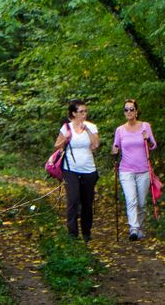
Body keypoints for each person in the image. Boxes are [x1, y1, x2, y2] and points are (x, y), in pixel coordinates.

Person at [53, 99, 100, 241]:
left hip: (88, 169)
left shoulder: (91, 127)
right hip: (70, 169)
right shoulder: (66, 128)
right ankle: (72, 233)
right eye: (81, 112)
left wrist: (88, 131)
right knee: (73, 199)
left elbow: (96, 145)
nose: (84, 114)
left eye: (85, 111)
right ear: (74, 113)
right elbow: (57, 146)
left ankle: (86, 231)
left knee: (87, 201)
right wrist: (65, 139)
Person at [111, 98, 157, 241]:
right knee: (131, 200)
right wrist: (114, 151)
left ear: (137, 111)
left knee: (142, 203)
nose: (129, 112)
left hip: (143, 170)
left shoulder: (145, 126)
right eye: (126, 109)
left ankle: (141, 227)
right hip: (126, 170)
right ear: (124, 112)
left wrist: (147, 139)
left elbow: (153, 145)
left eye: (132, 109)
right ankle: (133, 229)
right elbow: (116, 147)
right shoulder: (120, 130)